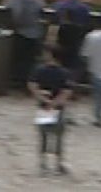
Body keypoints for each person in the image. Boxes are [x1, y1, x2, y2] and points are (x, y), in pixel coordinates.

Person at [29, 46, 74, 176]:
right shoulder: (65, 73)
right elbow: (67, 92)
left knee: (44, 136)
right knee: (58, 137)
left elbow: (32, 86)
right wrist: (54, 103)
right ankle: (58, 164)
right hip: (58, 108)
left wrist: (44, 100)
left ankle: (43, 165)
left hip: (44, 107)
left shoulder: (39, 70)